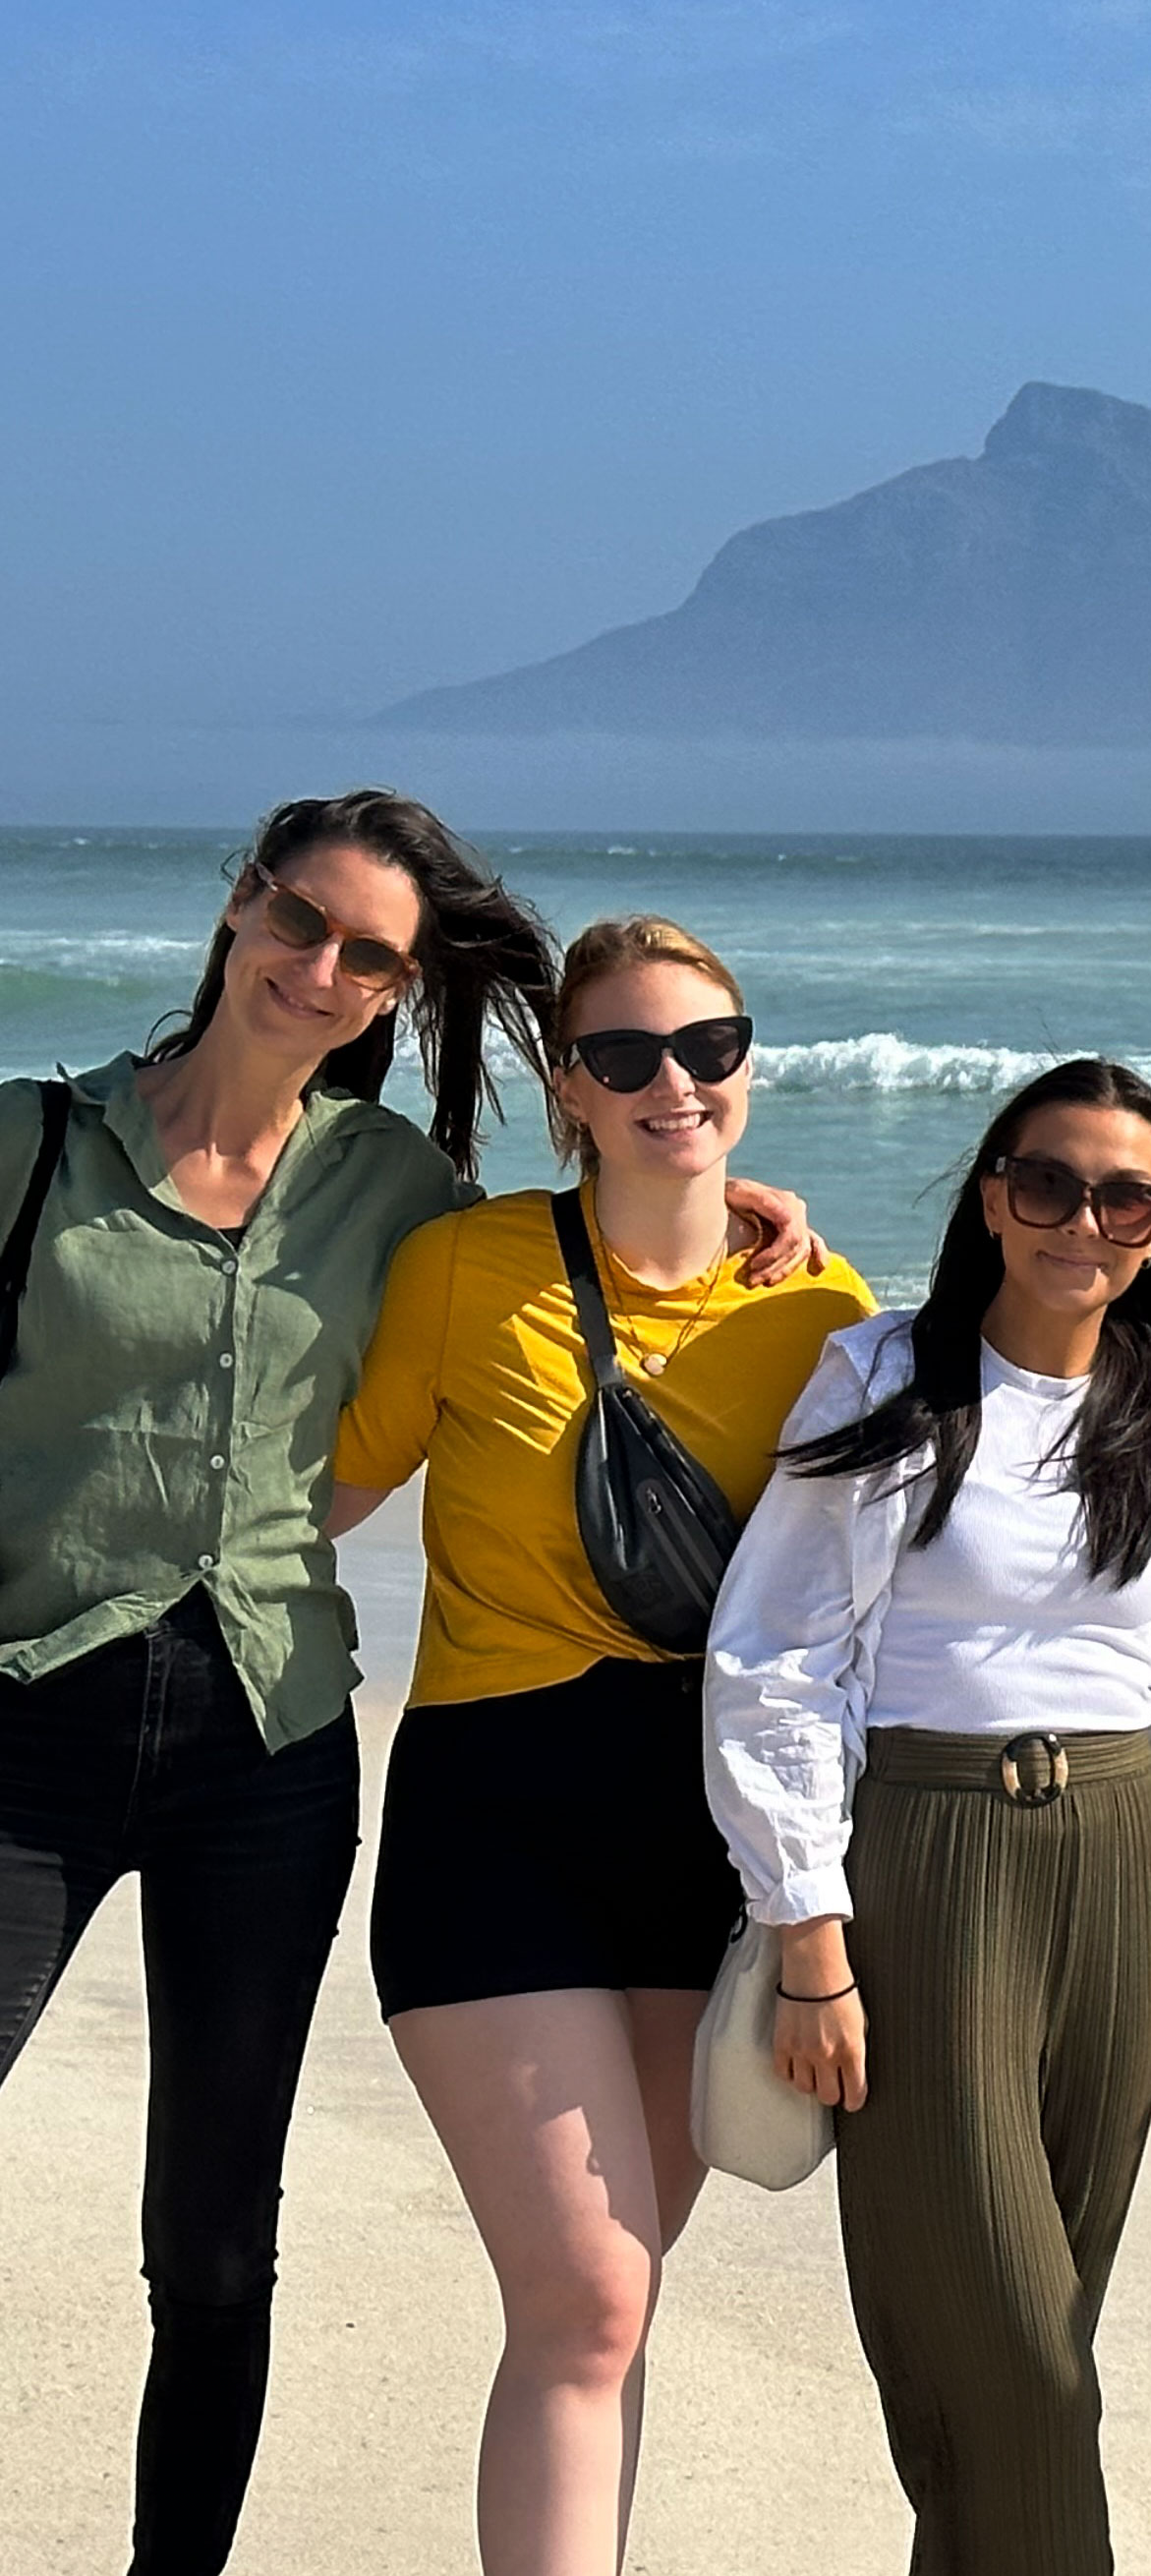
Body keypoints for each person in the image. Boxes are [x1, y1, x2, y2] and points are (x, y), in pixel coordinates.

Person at [0, 790, 796, 2576]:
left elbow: (591, 1285)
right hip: (37, 1714)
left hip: (274, 1739)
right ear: (237, 907)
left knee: (235, 2244)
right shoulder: (46, 1150)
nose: (324, 968)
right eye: (302, 922)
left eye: (373, 956)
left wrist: (722, 1194)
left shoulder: (414, 1198)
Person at [323, 915, 872, 2576]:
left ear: (750, 1067)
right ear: (568, 1086)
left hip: (702, 1838)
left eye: (707, 1048)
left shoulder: (829, 1314)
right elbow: (319, 1494)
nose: (672, 1085)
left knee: (608, 2310)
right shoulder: (463, 1269)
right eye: (622, 1056)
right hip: (493, 1820)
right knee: (587, 2294)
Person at [702, 1058, 1151, 2576]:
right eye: (1049, 1181)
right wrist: (808, 1933)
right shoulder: (886, 1375)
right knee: (1018, 2354)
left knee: (1029, 2341)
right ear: (992, 1196)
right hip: (932, 1859)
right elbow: (776, 1662)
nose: (1084, 1218)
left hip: (1121, 1863)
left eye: (1126, 1193)